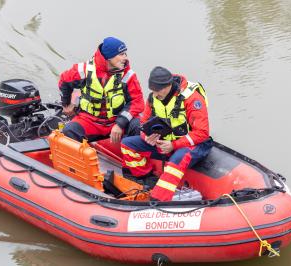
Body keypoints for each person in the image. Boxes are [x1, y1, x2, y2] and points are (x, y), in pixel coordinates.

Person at [121, 66, 213, 201]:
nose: (155, 94)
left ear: (167, 86)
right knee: (127, 145)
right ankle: (145, 179)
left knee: (176, 160)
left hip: (194, 143)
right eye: (152, 90)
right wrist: (147, 136)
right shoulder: (153, 98)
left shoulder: (192, 99)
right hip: (165, 142)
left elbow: (202, 133)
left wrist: (174, 145)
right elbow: (143, 123)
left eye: (157, 91)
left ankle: (158, 200)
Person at [59, 37, 144, 143]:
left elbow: (137, 101)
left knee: (138, 126)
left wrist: (120, 124)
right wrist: (66, 104)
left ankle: (131, 153)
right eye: (121, 54)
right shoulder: (84, 70)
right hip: (89, 121)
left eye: (125, 54)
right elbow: (64, 81)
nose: (125, 58)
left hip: (115, 122)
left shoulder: (128, 75)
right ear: (109, 57)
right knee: (69, 130)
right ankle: (84, 156)